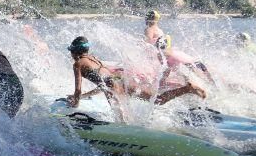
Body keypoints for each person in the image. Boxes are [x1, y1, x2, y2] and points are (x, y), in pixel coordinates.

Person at [67, 36, 206, 121]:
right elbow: (104, 81)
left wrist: (75, 103)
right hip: (121, 79)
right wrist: (86, 95)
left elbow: (79, 90)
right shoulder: (94, 59)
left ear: (75, 52)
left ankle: (129, 135)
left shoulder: (78, 64)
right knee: (157, 99)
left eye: (71, 51)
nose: (71, 54)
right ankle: (187, 89)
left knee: (121, 120)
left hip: (113, 85)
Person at [143, 10, 215, 85]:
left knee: (171, 71)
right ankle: (209, 82)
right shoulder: (158, 29)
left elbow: (148, 43)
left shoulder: (149, 29)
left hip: (163, 54)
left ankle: (160, 88)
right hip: (168, 53)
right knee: (191, 66)